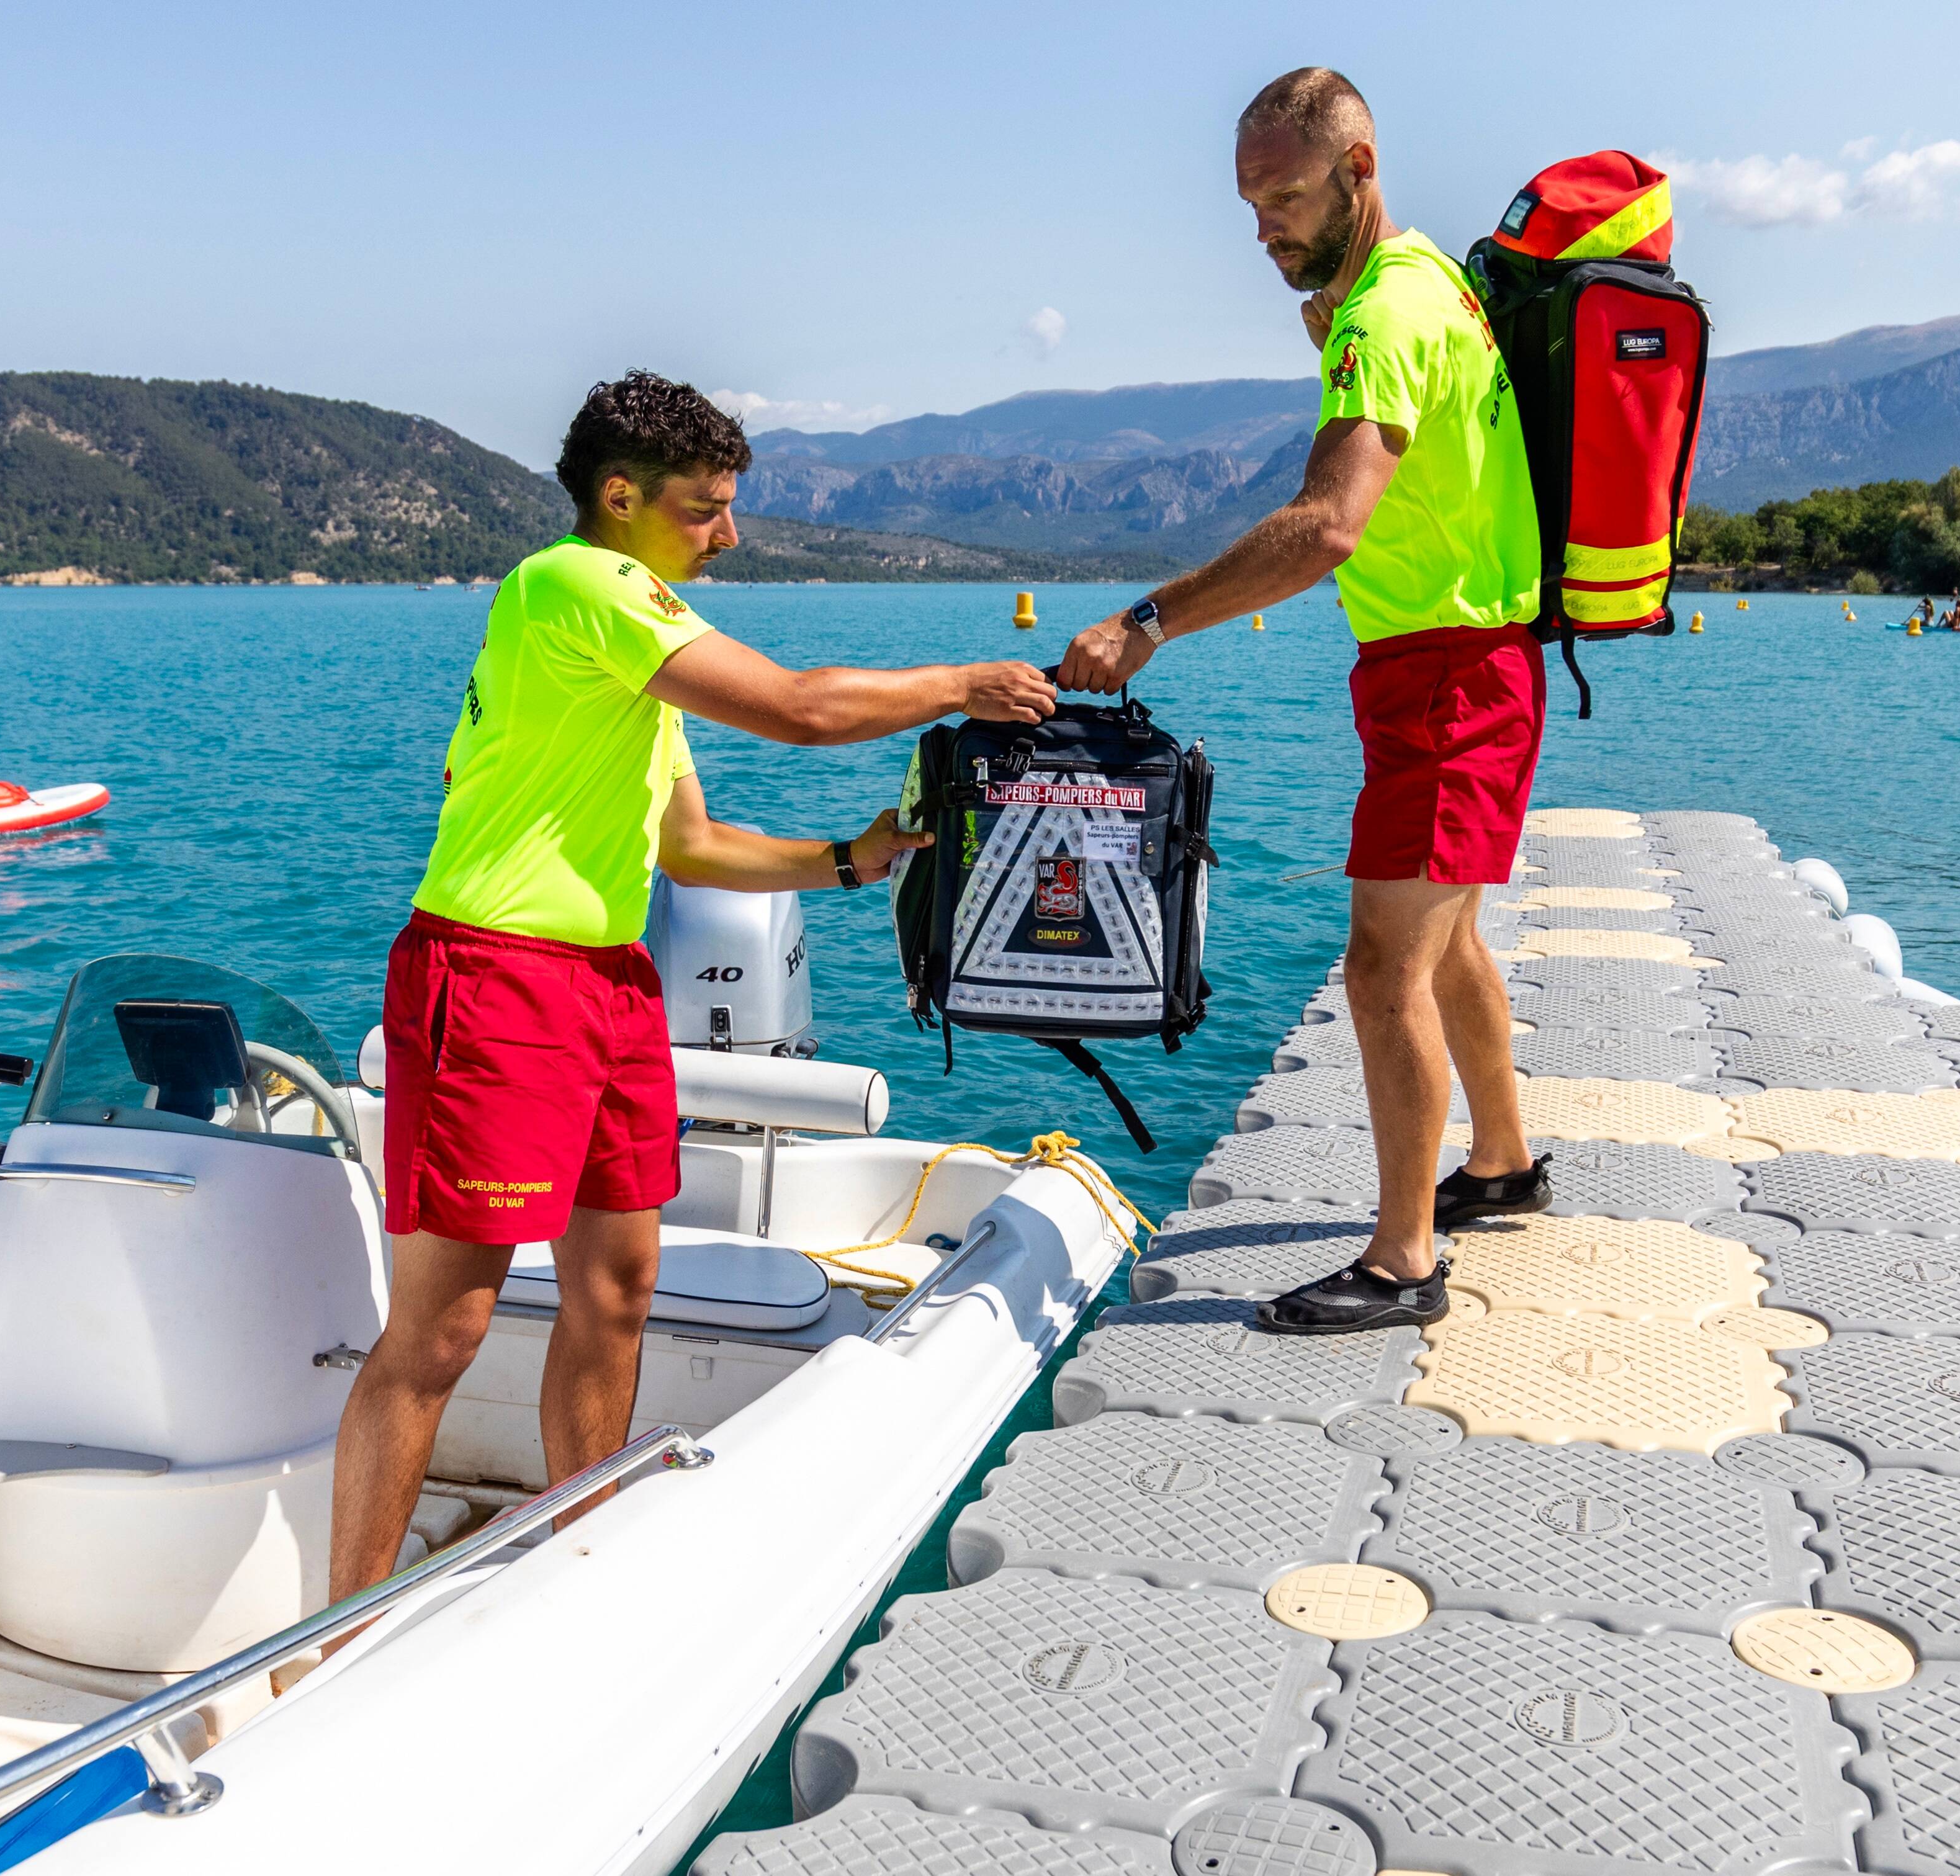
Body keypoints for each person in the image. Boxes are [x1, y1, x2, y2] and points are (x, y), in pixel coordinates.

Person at [328, 370, 1057, 1609]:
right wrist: (958, 681)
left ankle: (579, 1566)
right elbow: (798, 708)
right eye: (704, 508)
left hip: (609, 986)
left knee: (616, 1292)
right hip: (495, 976)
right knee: (441, 1332)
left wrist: (851, 857)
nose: (728, 533)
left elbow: (692, 846)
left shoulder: (631, 654)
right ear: (620, 497)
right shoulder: (577, 584)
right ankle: (333, 1635)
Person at [1058, 68, 1548, 1335]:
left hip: (1446, 681)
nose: (1263, 228)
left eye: (1283, 197)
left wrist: (1146, 619)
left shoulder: (1383, 317)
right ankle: (1501, 1162)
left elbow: (1326, 524)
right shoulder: (1425, 278)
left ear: (1357, 169)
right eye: (1249, 205)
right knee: (1447, 940)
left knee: (1382, 968)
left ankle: (1402, 1261)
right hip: (1458, 665)